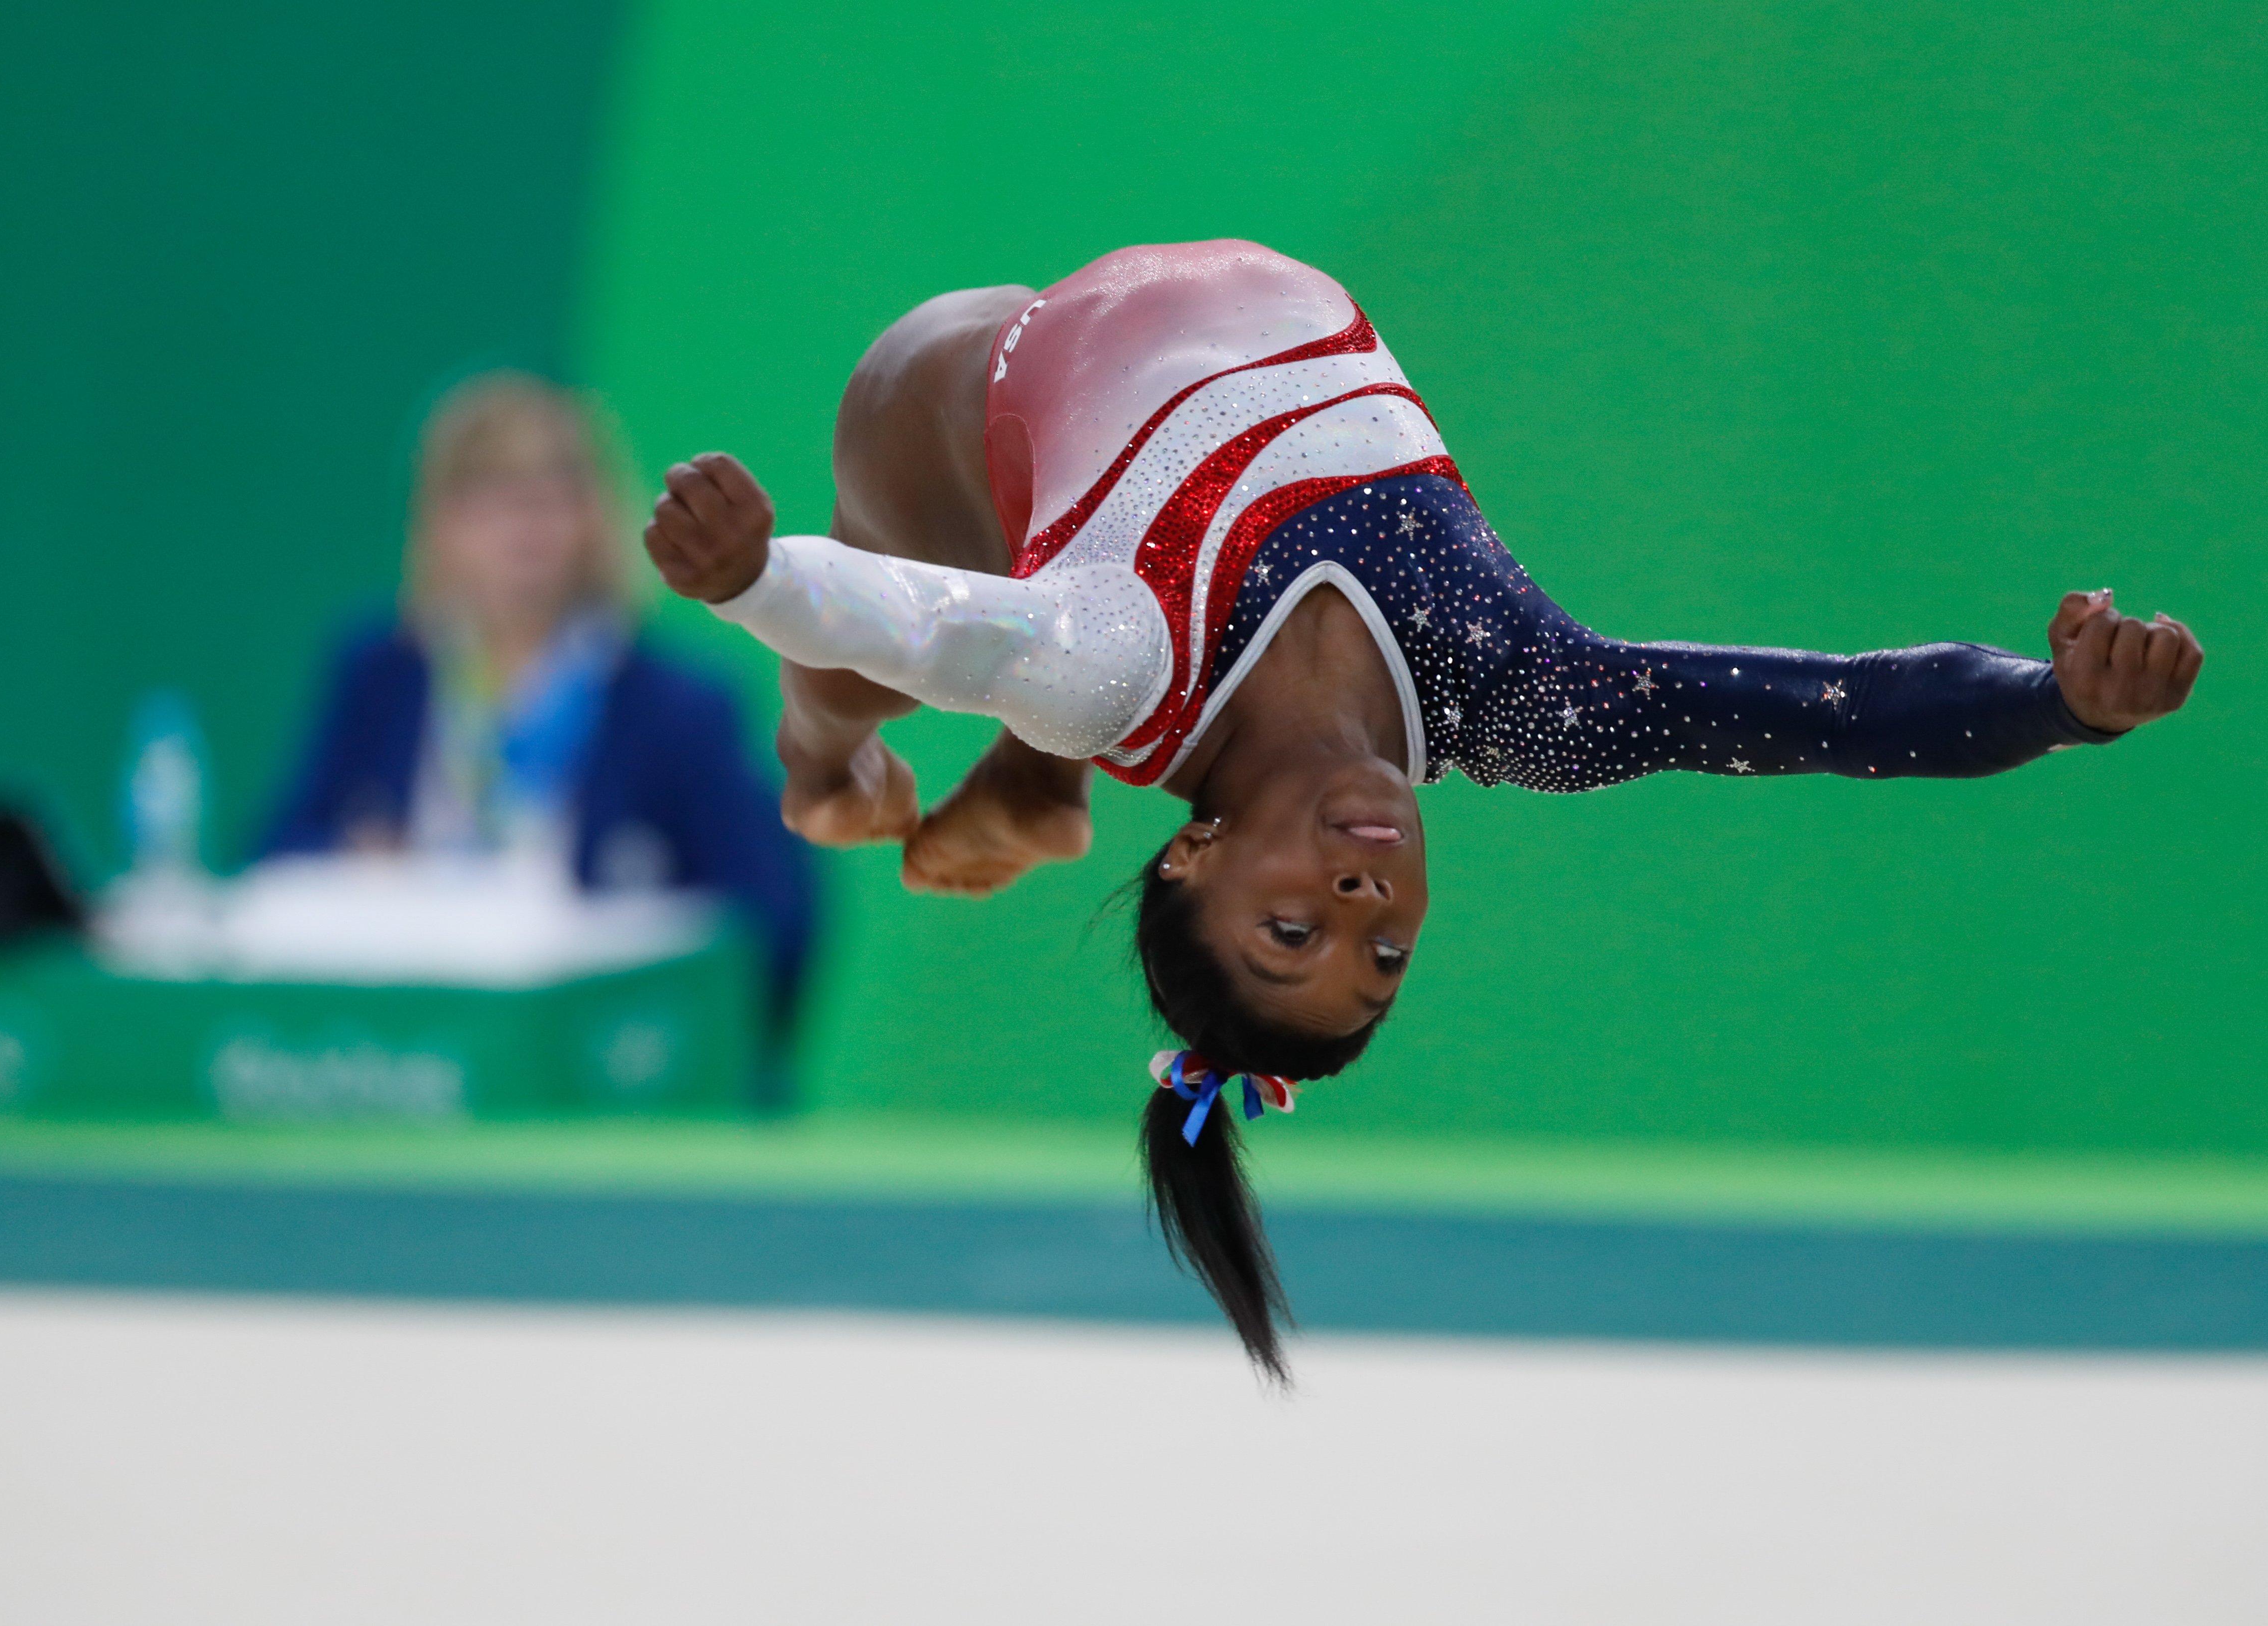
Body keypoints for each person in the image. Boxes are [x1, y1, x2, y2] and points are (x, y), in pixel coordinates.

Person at [641, 242, 2203, 1375]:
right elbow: (1824, 717)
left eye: (1293, 925)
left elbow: (912, 622)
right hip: (1102, 429)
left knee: (878, 643)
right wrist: (2057, 704)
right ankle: (1033, 798)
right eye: (1379, 953)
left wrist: (754, 575)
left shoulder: (1117, 657)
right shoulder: (1523, 699)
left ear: (1193, 854)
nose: (1366, 895)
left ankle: (842, 782)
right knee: (1014, 610)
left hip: (1005, 396)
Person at [262, 371, 816, 1065]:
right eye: (492, 500)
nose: (524, 527)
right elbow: (275, 857)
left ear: (594, 519)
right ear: (438, 523)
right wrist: (353, 864)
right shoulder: (380, 679)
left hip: (588, 1064)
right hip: (408, 1047)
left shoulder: (676, 707)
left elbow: (771, 923)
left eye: (551, 498)